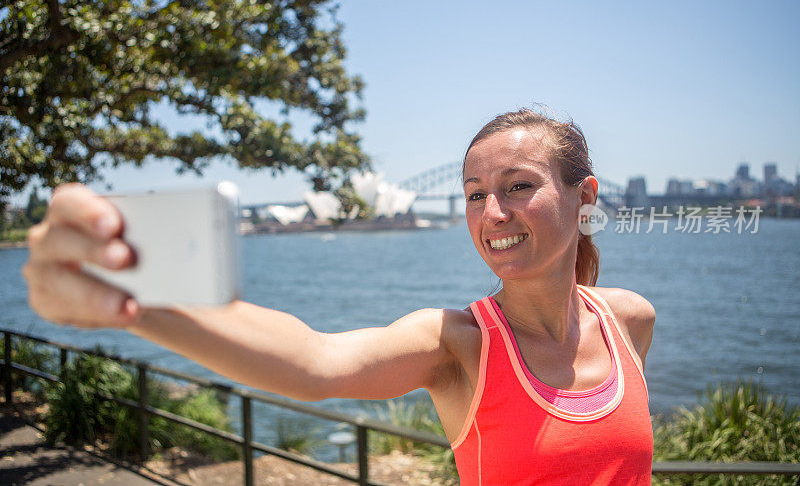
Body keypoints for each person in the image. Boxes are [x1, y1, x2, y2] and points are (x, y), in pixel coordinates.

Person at [23, 106, 656, 485]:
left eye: (519, 185)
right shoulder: (460, 344)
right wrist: (135, 293)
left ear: (585, 197)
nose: (492, 212)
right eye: (472, 192)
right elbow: (314, 362)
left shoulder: (629, 322)